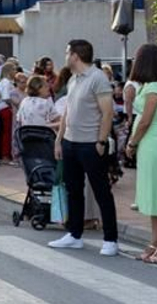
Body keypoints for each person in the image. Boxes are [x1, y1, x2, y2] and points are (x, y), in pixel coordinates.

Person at [47, 39, 119, 255]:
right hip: (70, 141)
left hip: (91, 143)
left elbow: (107, 112)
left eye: (67, 52)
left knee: (101, 190)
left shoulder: (97, 78)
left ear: (76, 55)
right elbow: (67, 112)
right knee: (73, 190)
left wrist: (101, 141)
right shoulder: (73, 80)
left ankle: (110, 239)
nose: (65, 55)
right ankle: (74, 234)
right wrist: (59, 140)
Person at [123, 44, 157, 264]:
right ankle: (156, 242)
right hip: (149, 145)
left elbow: (145, 120)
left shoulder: (156, 87)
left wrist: (132, 143)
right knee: (153, 197)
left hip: (153, 143)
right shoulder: (150, 86)